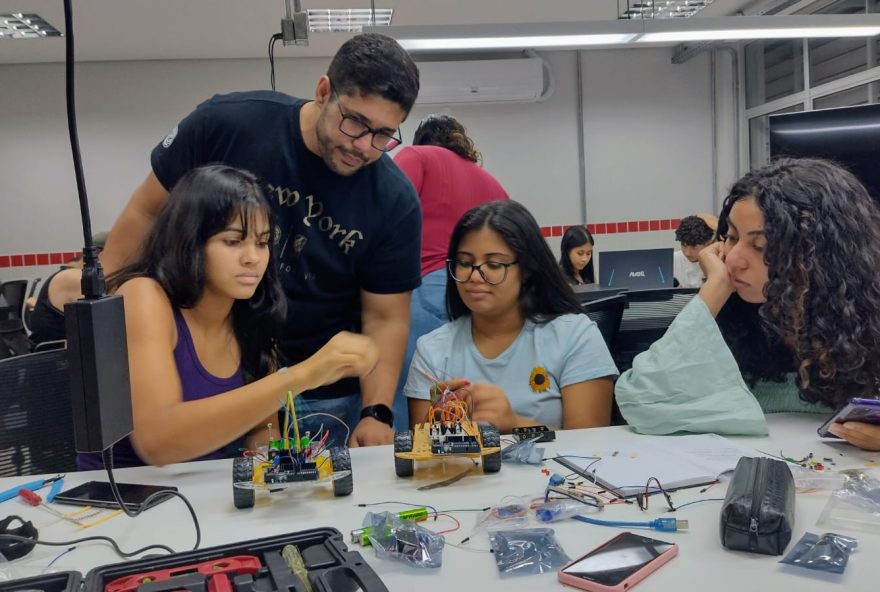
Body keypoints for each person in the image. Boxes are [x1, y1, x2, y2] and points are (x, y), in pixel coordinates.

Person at [101, 34, 421, 447]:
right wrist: (99, 316)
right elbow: (146, 211)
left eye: (383, 135)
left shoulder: (393, 200)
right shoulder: (228, 124)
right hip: (199, 367)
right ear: (323, 91)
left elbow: (386, 317)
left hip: (309, 385)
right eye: (355, 122)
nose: (364, 146)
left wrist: (375, 411)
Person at [78, 165, 378, 469]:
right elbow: (158, 442)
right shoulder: (144, 295)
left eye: (262, 243)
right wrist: (303, 375)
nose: (253, 258)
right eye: (233, 241)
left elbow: (263, 428)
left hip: (200, 495)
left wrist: (273, 466)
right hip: (119, 502)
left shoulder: (252, 313)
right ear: (190, 241)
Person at [616, 159, 880, 452]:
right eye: (730, 237)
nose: (732, 258)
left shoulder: (868, 326)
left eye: (760, 246)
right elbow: (639, 401)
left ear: (822, 256)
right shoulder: (736, 323)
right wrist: (715, 287)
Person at [404, 200, 618, 433]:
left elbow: (591, 448)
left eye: (494, 264)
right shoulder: (432, 351)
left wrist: (515, 424)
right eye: (465, 263)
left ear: (526, 270)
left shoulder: (575, 336)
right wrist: (437, 428)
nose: (475, 276)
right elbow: (425, 454)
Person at [391, 114, 509, 430]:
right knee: (475, 402)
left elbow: (386, 207)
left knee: (411, 403)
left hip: (428, 288)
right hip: (487, 295)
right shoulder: (491, 181)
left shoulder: (417, 156)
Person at [27, 232, 109, 347]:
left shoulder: (71, 273)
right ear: (99, 255)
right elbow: (111, 320)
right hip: (51, 360)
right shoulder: (74, 278)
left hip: (61, 356)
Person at [672, 214, 717, 288]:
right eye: (684, 245)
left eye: (694, 247)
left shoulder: (720, 264)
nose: (687, 253)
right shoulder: (672, 261)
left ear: (709, 243)